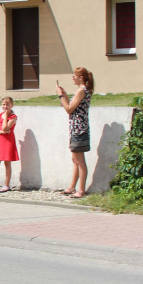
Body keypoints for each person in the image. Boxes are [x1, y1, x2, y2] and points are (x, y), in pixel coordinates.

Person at [56, 67, 94, 198]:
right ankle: (72, 187)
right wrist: (64, 95)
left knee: (80, 161)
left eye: (75, 76)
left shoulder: (81, 91)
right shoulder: (81, 91)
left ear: (81, 77)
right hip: (75, 129)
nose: (73, 78)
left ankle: (81, 190)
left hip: (79, 129)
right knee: (75, 160)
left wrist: (61, 96)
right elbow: (69, 106)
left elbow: (69, 109)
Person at [0, 96, 19, 192]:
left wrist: (5, 117)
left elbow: (5, 127)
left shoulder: (13, 117)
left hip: (8, 141)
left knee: (7, 162)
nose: (5, 106)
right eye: (3, 104)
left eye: (7, 104)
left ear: (12, 105)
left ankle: (6, 185)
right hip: (1, 140)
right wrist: (1, 132)